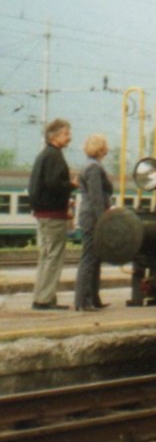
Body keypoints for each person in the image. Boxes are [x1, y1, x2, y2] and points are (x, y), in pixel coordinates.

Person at [29, 118, 76, 311]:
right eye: (66, 133)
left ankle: (41, 296)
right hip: (53, 213)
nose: (69, 137)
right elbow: (54, 184)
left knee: (46, 256)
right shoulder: (54, 156)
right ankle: (45, 300)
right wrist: (72, 185)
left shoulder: (44, 155)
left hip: (42, 212)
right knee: (54, 256)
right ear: (54, 136)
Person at [74, 133, 113, 312]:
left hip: (90, 215)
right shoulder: (94, 168)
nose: (107, 149)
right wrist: (103, 220)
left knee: (95, 257)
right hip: (93, 217)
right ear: (100, 148)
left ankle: (93, 298)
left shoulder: (89, 166)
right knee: (89, 258)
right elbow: (97, 197)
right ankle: (83, 300)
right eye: (105, 145)